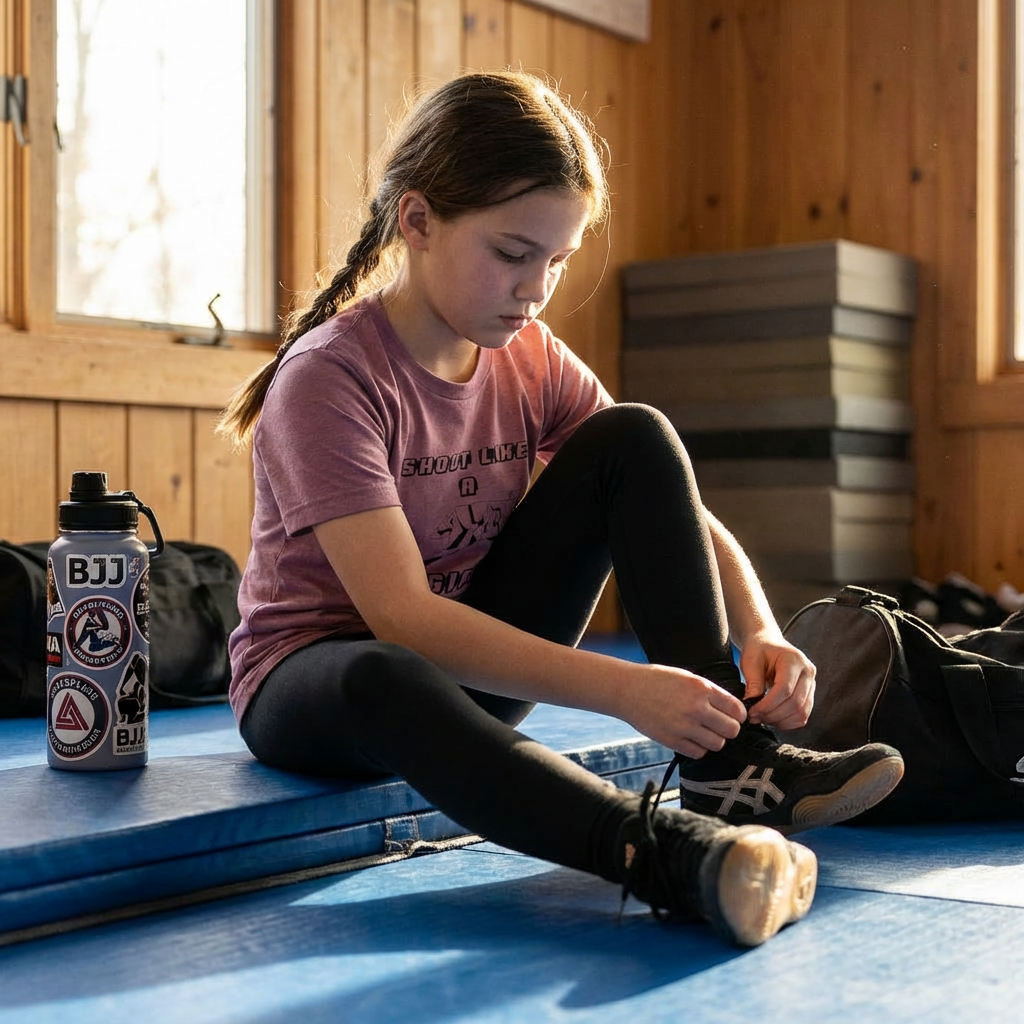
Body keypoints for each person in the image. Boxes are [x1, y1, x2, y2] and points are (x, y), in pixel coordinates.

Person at [218, 70, 903, 948]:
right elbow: (401, 620)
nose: (536, 288)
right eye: (512, 253)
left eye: (558, 260)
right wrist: (624, 690)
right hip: (318, 689)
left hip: (470, 670)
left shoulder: (529, 354)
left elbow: (666, 495)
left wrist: (760, 627)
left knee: (634, 435)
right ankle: (669, 856)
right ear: (417, 221)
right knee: (379, 668)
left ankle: (731, 770)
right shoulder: (331, 377)